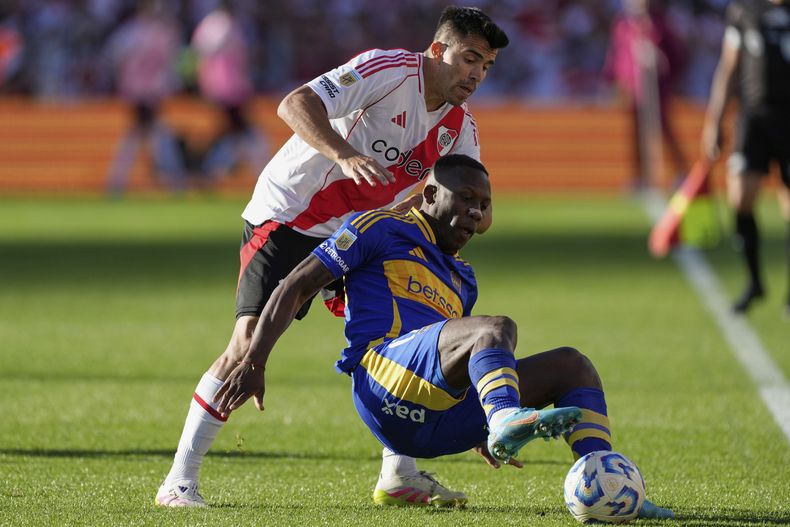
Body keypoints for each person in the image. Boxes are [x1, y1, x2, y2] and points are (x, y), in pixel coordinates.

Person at [155, 6, 509, 508]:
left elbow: (476, 200)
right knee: (247, 343)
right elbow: (294, 104)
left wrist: (472, 212)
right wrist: (344, 154)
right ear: (437, 51)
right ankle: (179, 480)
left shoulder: (459, 130)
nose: (476, 73)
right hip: (290, 215)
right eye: (470, 58)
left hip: (357, 233)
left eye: (486, 66)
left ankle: (400, 474)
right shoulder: (387, 71)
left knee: (409, 337)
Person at [211, 155, 674, 517]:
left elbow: (464, 357)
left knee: (572, 364)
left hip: (437, 423)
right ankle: (505, 419)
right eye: (466, 198)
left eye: (485, 205)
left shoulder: (463, 277)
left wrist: (485, 415)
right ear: (429, 193)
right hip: (381, 380)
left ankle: (615, 490)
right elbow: (295, 284)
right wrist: (255, 360)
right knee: (496, 329)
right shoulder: (381, 227)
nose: (476, 212)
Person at [700, 0, 790, 314]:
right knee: (740, 198)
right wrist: (715, 121)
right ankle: (754, 281)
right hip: (754, 118)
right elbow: (728, 66)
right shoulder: (744, 10)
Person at [104, 0, 187, 196]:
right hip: (144, 93)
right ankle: (175, 182)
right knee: (152, 136)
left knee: (142, 137)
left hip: (142, 92)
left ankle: (117, 182)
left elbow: (114, 55)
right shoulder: (149, 33)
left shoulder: (136, 32)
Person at [604, 0, 688, 190]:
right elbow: (616, 56)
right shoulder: (622, 25)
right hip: (632, 88)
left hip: (657, 90)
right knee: (635, 135)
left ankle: (681, 172)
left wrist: (661, 61)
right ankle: (640, 177)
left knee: (664, 131)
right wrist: (613, 81)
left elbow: (677, 56)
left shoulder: (660, 24)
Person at [190, 1, 270, 185]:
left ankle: (212, 171)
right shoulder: (222, 24)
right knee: (245, 133)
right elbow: (208, 50)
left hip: (228, 86)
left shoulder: (216, 23)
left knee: (235, 134)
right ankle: (213, 171)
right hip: (227, 87)